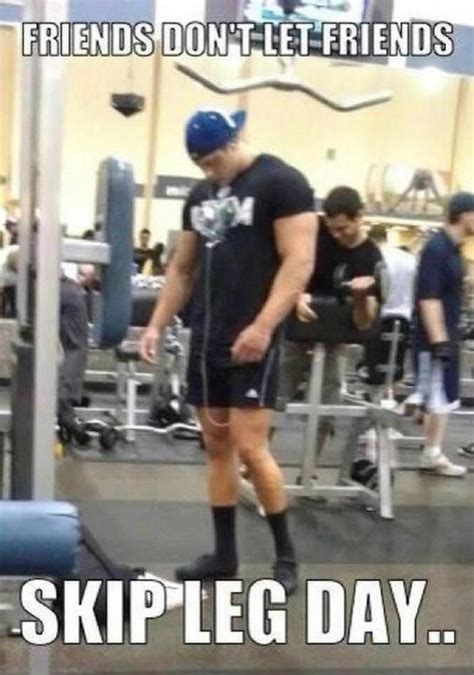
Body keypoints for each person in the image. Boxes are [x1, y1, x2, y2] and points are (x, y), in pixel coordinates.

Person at [139, 107, 316, 594]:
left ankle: (286, 557)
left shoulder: (283, 183)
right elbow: (181, 270)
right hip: (208, 339)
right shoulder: (200, 196)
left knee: (251, 448)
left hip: (254, 337)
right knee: (216, 447)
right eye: (201, 165)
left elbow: (299, 261)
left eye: (214, 161)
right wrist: (156, 324)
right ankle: (225, 556)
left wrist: (263, 326)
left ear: (236, 141)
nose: (208, 173)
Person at [277, 186, 383, 462]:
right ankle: (251, 467)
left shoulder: (370, 257)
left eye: (343, 228)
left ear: (360, 217)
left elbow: (364, 322)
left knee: (326, 409)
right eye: (333, 228)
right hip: (298, 330)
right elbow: (290, 268)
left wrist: (361, 298)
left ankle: (309, 470)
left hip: (336, 340)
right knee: (274, 398)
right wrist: (296, 296)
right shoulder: (317, 233)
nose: (337, 235)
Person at [412, 191, 474, 477]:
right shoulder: (437, 248)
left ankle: (431, 451)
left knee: (441, 398)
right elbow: (428, 297)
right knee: (433, 398)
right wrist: (438, 341)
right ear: (465, 215)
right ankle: (431, 453)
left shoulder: (453, 249)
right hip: (433, 338)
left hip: (446, 334)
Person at [369, 224, 416, 322]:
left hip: (379, 317)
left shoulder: (372, 258)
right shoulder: (411, 258)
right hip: (406, 317)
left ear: (370, 239)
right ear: (386, 237)